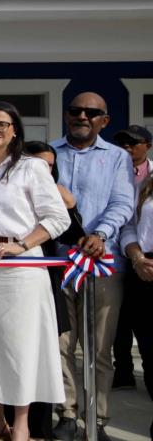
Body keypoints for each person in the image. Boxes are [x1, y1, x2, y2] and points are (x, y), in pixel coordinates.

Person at [0, 102, 70, 441]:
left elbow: (58, 219)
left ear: (15, 130)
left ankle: (21, 423)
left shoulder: (31, 168)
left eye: (2, 124)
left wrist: (21, 244)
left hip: (20, 268)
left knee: (19, 347)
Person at [50, 92, 134, 441]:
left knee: (100, 350)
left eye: (91, 112)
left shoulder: (117, 158)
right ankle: (67, 413)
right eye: (75, 110)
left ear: (104, 120)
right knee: (59, 346)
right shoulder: (48, 154)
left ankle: (96, 420)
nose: (82, 116)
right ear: (67, 115)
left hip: (102, 263)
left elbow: (123, 202)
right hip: (58, 262)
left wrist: (100, 233)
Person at [112, 124, 153, 390]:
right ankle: (124, 370)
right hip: (131, 257)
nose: (128, 147)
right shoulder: (117, 172)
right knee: (123, 318)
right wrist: (137, 257)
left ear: (147, 145)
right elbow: (129, 224)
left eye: (133, 142)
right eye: (123, 142)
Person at [118, 168, 153, 441]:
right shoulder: (146, 187)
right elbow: (129, 226)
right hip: (144, 269)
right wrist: (138, 258)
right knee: (149, 351)